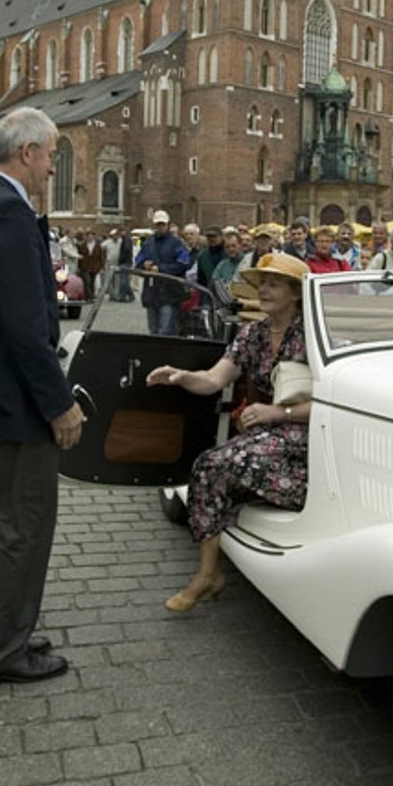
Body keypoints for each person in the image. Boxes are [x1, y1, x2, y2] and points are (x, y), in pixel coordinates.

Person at [0, 107, 84, 686]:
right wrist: (58, 402)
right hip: (15, 401)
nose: (53, 168)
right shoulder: (7, 210)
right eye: (51, 155)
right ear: (27, 152)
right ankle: (0, 648)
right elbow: (25, 325)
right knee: (22, 526)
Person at [148, 250, 311, 613]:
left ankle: (212, 572)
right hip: (271, 438)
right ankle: (208, 573)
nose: (264, 290)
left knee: (214, 466)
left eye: (274, 284)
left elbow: (334, 401)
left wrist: (277, 411)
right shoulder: (253, 334)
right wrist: (183, 376)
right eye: (261, 283)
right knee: (208, 466)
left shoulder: (314, 334)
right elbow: (214, 380)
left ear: (296, 292)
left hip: (311, 436)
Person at [136, 210, 192, 336]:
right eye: (158, 224)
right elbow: (138, 262)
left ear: (167, 225)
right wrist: (143, 265)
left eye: (162, 224)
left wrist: (161, 269)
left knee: (166, 330)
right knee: (153, 330)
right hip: (151, 293)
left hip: (169, 294)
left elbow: (184, 264)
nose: (160, 227)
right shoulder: (147, 243)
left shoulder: (176, 243)